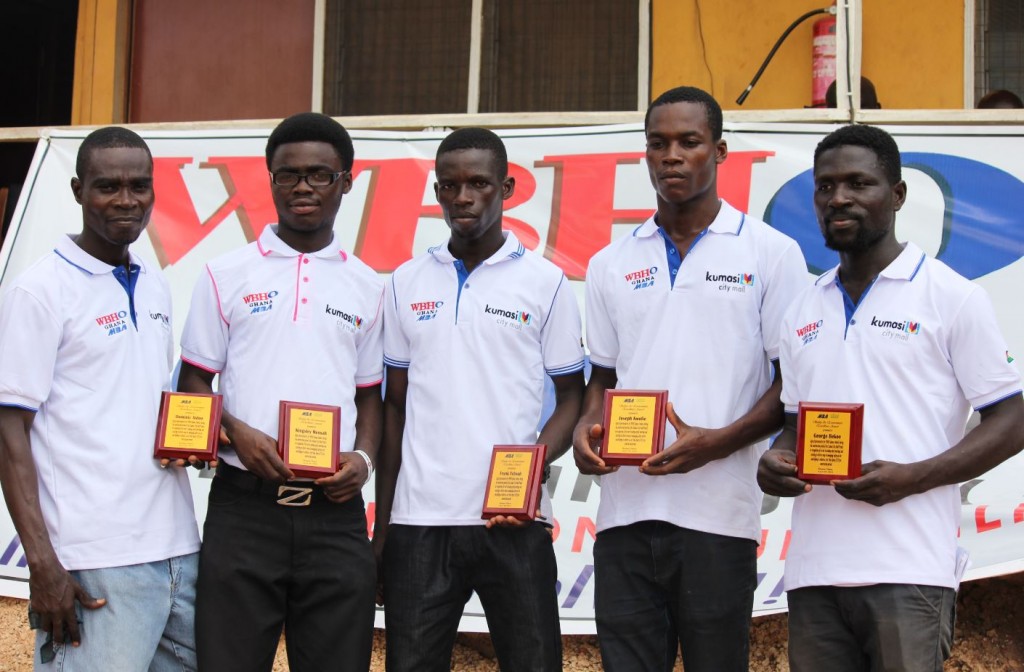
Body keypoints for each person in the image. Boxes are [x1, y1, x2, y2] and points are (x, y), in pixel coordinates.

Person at [757, 124, 1024, 672]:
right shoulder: (803, 307)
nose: (840, 199)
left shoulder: (951, 297)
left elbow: (1013, 419)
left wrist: (915, 476)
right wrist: (775, 460)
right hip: (814, 570)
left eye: (860, 183)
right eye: (826, 186)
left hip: (909, 568)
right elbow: (794, 424)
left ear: (897, 195)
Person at [571, 86, 809, 671]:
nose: (672, 156)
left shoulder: (771, 254)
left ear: (720, 151)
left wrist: (716, 443)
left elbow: (792, 383)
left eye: (689, 142)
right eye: (659, 143)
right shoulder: (610, 263)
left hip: (718, 515)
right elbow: (603, 375)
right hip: (625, 513)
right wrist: (585, 426)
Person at [177, 112, 382, 672]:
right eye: (287, 175)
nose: (302, 188)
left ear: (346, 181)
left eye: (319, 175)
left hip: (335, 514)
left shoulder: (369, 286)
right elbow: (193, 383)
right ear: (270, 181)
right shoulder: (225, 274)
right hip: (245, 511)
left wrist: (362, 459)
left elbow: (369, 396)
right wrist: (232, 431)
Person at [374, 127, 585, 672]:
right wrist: (385, 525)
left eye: (478, 184)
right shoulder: (405, 282)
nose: (463, 197)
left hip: (513, 522)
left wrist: (532, 469)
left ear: (507, 188)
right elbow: (393, 407)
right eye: (450, 185)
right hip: (421, 523)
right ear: (437, 190)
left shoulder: (546, 283)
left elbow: (572, 398)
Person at [0, 127, 200, 670]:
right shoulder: (38, 291)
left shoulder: (154, 285)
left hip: (178, 548)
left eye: (139, 185)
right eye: (107, 186)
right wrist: (42, 563)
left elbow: (147, 404)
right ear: (77, 190)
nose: (126, 200)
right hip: (94, 560)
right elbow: (7, 429)